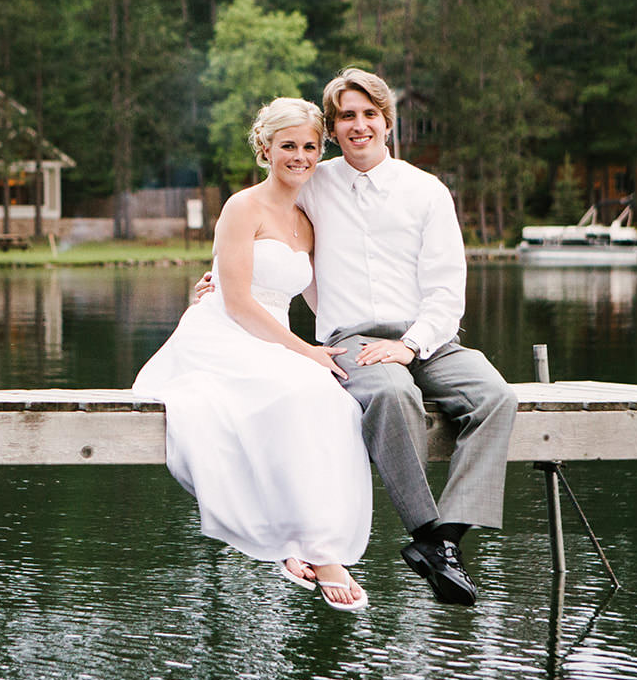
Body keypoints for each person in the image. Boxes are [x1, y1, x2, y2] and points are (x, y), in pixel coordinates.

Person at [200, 68, 517, 606]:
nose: (358, 125)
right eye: (346, 115)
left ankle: (445, 541)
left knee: (497, 397)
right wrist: (223, 279)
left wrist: (413, 344)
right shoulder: (312, 182)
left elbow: (447, 288)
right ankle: (423, 528)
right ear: (334, 127)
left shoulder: (426, 191)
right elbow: (269, 236)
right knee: (394, 394)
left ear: (387, 122)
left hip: (429, 338)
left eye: (369, 113)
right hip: (353, 340)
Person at [134, 98, 374, 611]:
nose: (301, 156)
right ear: (265, 150)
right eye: (288, 146)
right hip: (224, 331)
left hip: (271, 334)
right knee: (299, 390)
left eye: (310, 146)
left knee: (337, 403)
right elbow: (239, 301)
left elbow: (321, 297)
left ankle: (295, 538)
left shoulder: (308, 220)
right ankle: (316, 548)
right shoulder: (242, 207)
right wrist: (306, 352)